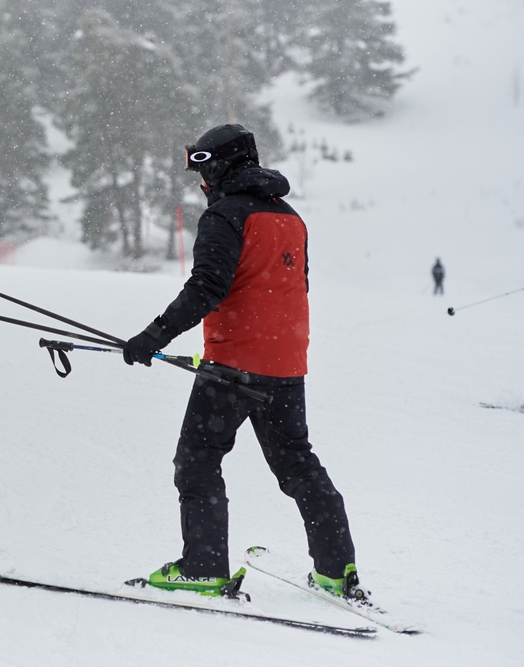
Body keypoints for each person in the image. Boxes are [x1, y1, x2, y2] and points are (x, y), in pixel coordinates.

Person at [123, 124, 362, 600]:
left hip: (232, 366)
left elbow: (206, 289)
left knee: (197, 462)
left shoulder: (225, 216)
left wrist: (153, 336)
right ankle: (337, 572)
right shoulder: (291, 217)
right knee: (298, 465)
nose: (202, 184)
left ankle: (203, 567)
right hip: (287, 363)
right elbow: (295, 286)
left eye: (204, 171)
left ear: (223, 166)